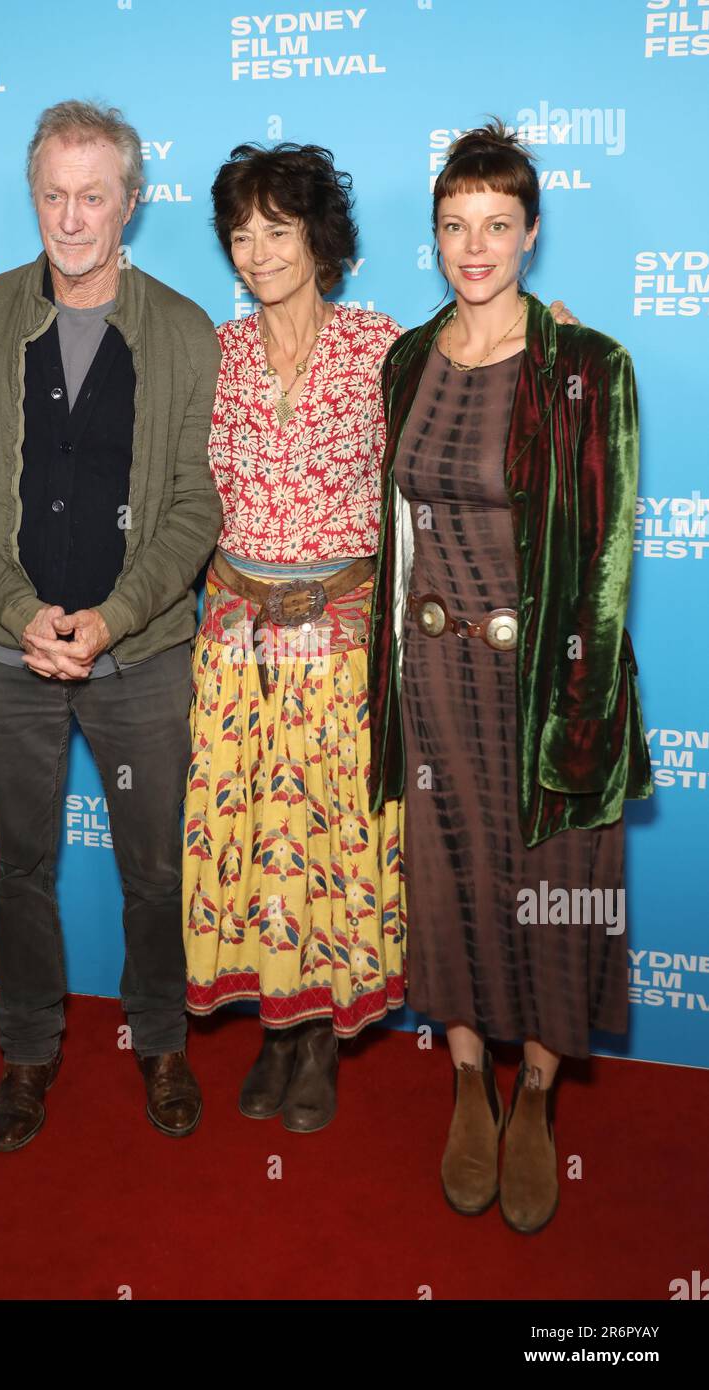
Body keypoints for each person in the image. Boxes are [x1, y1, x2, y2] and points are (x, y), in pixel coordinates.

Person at [0, 100, 222, 1151]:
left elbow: (194, 504)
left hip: (140, 658)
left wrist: (111, 618)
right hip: (6, 655)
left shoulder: (184, 330)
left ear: (131, 203)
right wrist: (21, 613)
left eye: (94, 195)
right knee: (18, 863)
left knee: (153, 867)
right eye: (53, 193)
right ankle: (29, 1046)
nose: (71, 215)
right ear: (33, 193)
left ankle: (159, 1038)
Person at [367, 121, 653, 1231]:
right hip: (431, 682)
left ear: (529, 233)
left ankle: (535, 1091)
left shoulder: (584, 366)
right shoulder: (406, 360)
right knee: (448, 887)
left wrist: (577, 725)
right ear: (434, 237)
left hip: (545, 691)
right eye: (452, 226)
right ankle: (465, 1078)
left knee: (550, 894)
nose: (471, 247)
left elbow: (608, 552)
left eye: (495, 225)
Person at [182, 144, 406, 1133]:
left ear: (322, 242)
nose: (257, 251)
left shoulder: (381, 349)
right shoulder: (216, 356)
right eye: (241, 233)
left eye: (278, 230)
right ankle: (272, 1029)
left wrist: (548, 332)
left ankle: (316, 1039)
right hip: (232, 635)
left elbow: (453, 439)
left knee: (323, 838)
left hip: (338, 639)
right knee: (252, 844)